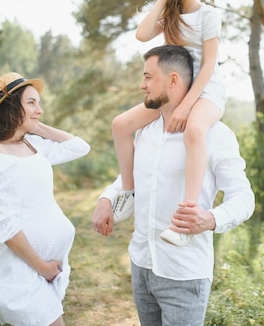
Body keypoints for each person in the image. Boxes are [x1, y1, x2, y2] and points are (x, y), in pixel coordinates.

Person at [94, 45, 254, 326]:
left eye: (148, 77)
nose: (141, 85)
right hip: (141, 264)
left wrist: (210, 219)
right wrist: (107, 198)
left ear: (173, 80)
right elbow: (132, 175)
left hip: (184, 273)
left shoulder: (216, 136)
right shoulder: (144, 131)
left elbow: (243, 197)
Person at [111, 0, 227, 247]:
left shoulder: (209, 15)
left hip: (205, 90)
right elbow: (141, 34)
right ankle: (129, 191)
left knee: (194, 132)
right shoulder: (170, 17)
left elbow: (209, 66)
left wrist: (186, 107)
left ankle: (186, 217)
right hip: (176, 92)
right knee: (120, 125)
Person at [0, 72, 90, 326]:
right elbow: (5, 226)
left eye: (39, 103)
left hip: (47, 268)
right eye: (31, 103)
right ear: (11, 107)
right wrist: (41, 267)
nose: (39, 109)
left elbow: (80, 147)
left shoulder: (33, 145)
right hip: (23, 268)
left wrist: (36, 125)